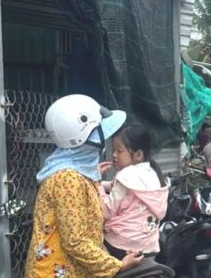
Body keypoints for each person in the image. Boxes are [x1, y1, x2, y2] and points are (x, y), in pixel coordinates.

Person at [24, 94, 143, 277]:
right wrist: (118, 265)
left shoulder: (77, 175)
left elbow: (87, 232)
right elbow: (75, 241)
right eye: (100, 133)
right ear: (85, 137)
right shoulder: (68, 179)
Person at [98, 125, 169, 259]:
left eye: (119, 151)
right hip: (148, 247)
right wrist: (103, 185)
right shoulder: (153, 174)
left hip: (121, 245)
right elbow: (117, 187)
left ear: (138, 155)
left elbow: (105, 211)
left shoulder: (127, 175)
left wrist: (97, 185)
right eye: (113, 150)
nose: (114, 155)